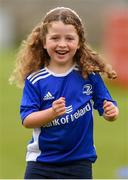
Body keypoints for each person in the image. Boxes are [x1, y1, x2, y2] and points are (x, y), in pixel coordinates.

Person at [10, 7, 119, 179]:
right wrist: (52, 113)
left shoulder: (88, 75)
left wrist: (111, 112)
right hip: (41, 164)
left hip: (79, 164)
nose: (62, 44)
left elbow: (108, 107)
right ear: (44, 42)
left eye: (69, 38)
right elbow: (27, 120)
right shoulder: (36, 80)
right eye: (55, 38)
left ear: (79, 42)